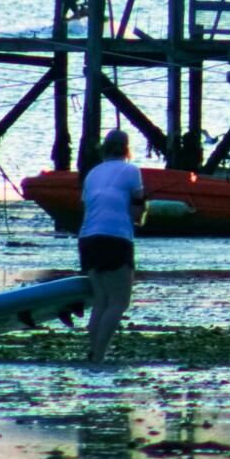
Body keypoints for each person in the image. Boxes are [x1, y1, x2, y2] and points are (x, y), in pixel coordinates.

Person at [78, 128, 144, 364]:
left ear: (104, 149)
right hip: (115, 237)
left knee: (101, 301)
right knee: (119, 302)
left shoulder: (92, 173)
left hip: (87, 238)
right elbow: (136, 210)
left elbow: (88, 208)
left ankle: (93, 351)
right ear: (126, 150)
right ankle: (99, 356)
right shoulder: (131, 170)